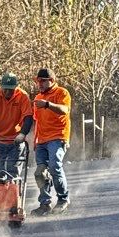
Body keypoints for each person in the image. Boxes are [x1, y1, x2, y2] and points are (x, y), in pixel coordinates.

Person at [0, 72, 34, 184]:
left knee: (13, 170)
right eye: (5, 89)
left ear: (16, 87)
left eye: (11, 89)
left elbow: (28, 117)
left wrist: (23, 134)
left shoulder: (22, 96)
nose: (7, 92)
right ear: (1, 86)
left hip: (16, 139)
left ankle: (13, 194)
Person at [31, 67, 71, 212]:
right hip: (41, 140)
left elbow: (65, 110)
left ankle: (63, 199)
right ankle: (45, 203)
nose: (39, 84)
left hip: (58, 137)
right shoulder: (38, 98)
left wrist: (48, 104)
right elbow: (37, 121)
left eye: (42, 81)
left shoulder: (62, 92)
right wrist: (35, 140)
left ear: (51, 81)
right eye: (38, 81)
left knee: (54, 166)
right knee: (40, 173)